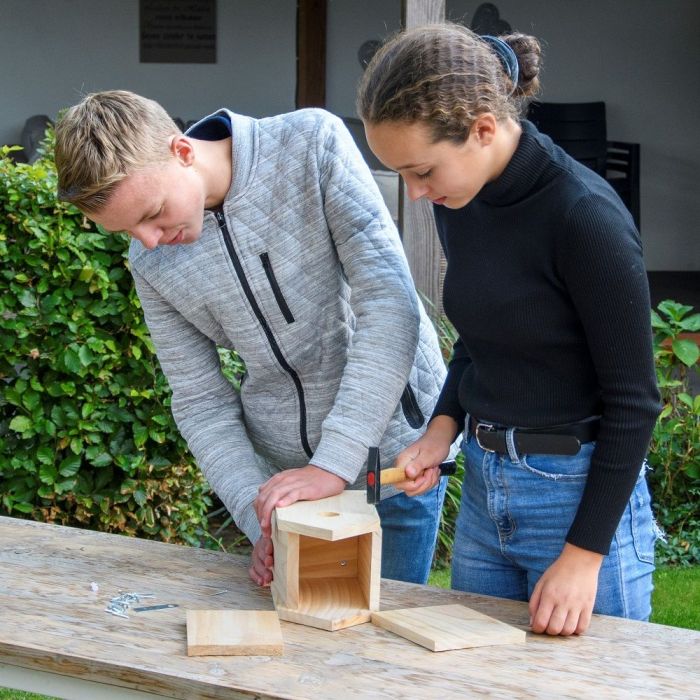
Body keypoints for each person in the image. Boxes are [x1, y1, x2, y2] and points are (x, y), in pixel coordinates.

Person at [54, 90, 455, 587]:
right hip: (287, 484)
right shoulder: (151, 263)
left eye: (152, 213)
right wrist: (255, 513)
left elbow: (389, 307)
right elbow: (201, 401)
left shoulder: (311, 143)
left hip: (391, 462)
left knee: (383, 649)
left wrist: (334, 463)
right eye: (128, 232)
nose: (149, 241)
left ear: (182, 151)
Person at [358, 24, 661, 636]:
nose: (415, 194)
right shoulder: (460, 199)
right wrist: (440, 431)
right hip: (483, 494)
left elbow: (636, 403)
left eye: (421, 171)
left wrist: (584, 557)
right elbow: (480, 337)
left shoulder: (586, 217)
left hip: (575, 497)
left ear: (483, 129)